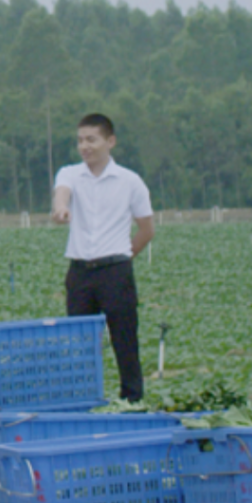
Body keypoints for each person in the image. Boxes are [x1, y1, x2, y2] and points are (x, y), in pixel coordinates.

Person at [51, 113, 154, 403]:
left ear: (110, 141)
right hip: (80, 273)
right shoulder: (70, 173)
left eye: (91, 140)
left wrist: (123, 257)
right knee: (81, 343)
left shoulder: (130, 182)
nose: (85, 146)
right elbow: (62, 195)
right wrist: (61, 210)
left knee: (124, 339)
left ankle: (132, 401)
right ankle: (84, 401)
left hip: (116, 271)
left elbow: (147, 230)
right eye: (80, 140)